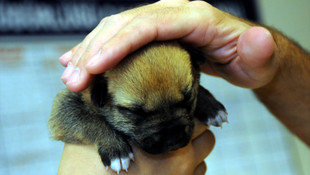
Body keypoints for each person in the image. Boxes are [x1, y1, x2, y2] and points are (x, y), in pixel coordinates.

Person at [57, 0, 310, 174]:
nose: (169, 132)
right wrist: (107, 140)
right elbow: (65, 112)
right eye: (137, 113)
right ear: (99, 95)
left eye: (186, 97)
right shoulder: (90, 93)